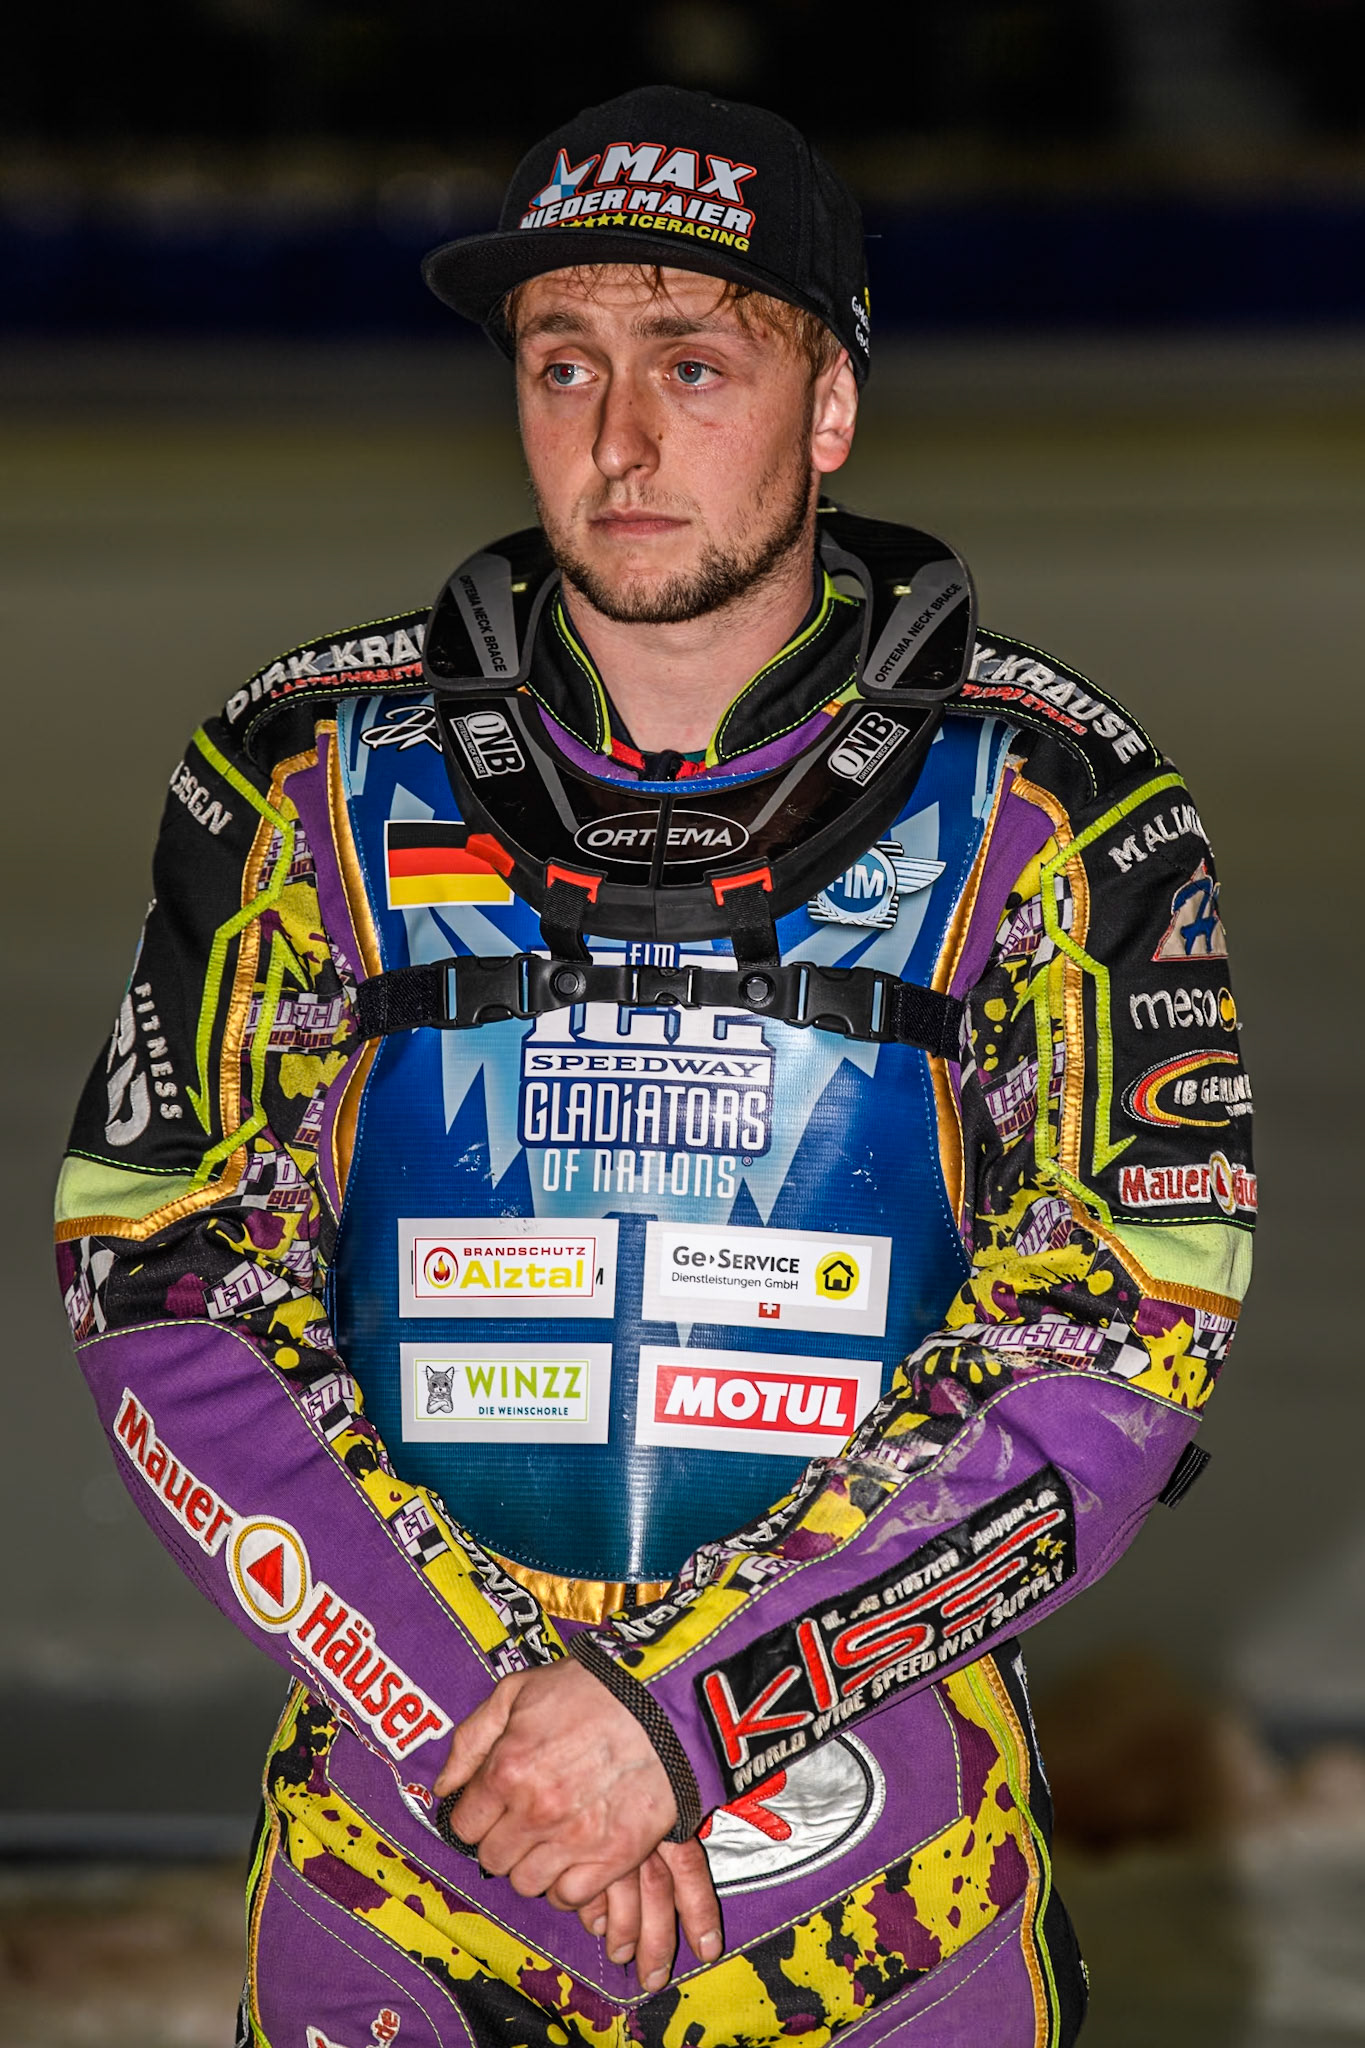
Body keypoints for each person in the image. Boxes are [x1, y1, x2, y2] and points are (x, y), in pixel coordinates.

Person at [55, 82, 1254, 2048]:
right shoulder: (301, 779)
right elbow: (159, 1279)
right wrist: (507, 1733)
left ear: (829, 407)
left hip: (892, 1902)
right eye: (562, 363)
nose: (618, 440)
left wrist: (675, 1717)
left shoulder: (1052, 808)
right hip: (412, 1865)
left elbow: (1115, 1335)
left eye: (694, 364)